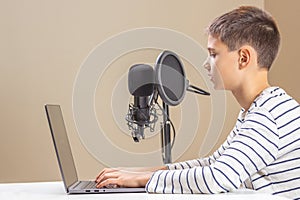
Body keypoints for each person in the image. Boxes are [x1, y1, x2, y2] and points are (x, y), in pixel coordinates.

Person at [95, 6, 300, 199]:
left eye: (213, 54)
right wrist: (139, 173)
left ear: (243, 58)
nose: (206, 64)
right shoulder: (259, 110)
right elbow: (213, 163)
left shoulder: (268, 116)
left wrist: (143, 179)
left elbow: (218, 177)